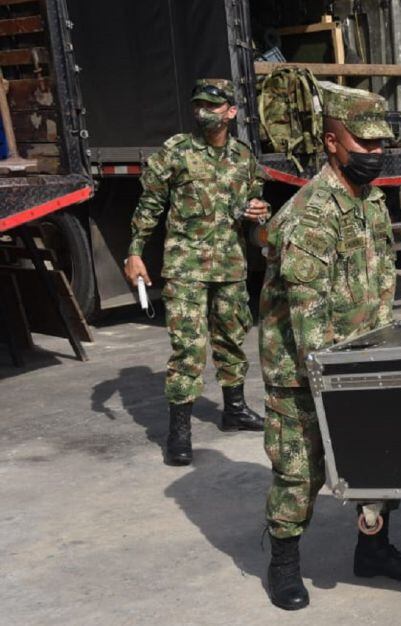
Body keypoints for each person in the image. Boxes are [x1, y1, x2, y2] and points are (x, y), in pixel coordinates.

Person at [258, 82, 401, 611]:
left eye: (381, 145)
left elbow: (380, 287)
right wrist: (338, 381)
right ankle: (283, 565)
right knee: (299, 469)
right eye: (364, 144)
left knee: (382, 454)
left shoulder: (372, 201)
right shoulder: (310, 215)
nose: (374, 155)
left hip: (361, 359)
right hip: (306, 369)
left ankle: (373, 549)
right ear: (332, 142)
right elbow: (308, 321)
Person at [125, 79, 268, 467]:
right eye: (199, 105)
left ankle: (234, 410)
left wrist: (258, 214)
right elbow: (150, 204)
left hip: (231, 265)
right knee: (188, 349)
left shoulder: (244, 157)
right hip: (186, 266)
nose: (204, 112)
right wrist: (135, 252)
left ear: (231, 112)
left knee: (233, 340)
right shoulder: (177, 152)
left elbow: (253, 210)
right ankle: (179, 432)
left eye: (213, 105)